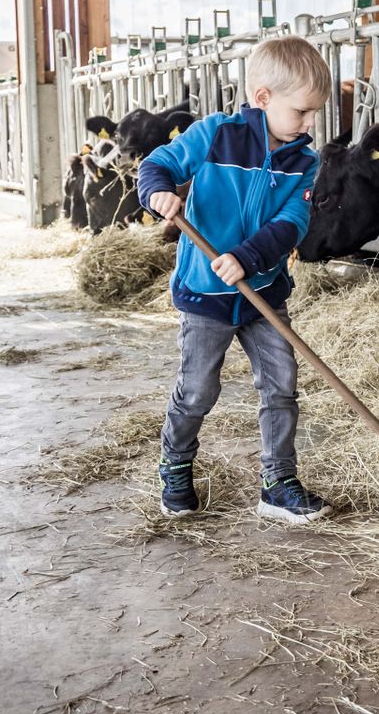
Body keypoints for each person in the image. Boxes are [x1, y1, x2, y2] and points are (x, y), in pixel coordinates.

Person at [137, 35, 332, 524]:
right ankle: (176, 466)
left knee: (282, 384)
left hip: (263, 290)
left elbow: (292, 224)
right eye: (302, 112)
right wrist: (159, 194)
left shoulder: (304, 163)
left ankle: (278, 483)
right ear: (263, 97)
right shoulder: (215, 135)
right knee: (199, 389)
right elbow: (156, 165)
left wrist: (248, 257)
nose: (310, 124)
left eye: (314, 114)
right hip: (206, 292)